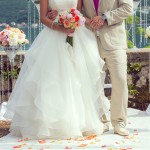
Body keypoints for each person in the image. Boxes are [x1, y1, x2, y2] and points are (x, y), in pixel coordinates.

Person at [4, 0, 109, 139]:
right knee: (53, 79)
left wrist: (82, 22)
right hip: (53, 37)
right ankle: (50, 124)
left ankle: (79, 122)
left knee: (76, 80)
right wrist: (61, 28)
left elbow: (78, 13)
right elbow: (42, 18)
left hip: (76, 36)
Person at [49, 0, 133, 136]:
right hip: (90, 40)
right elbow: (76, 11)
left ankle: (119, 122)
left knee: (120, 80)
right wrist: (57, 14)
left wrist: (104, 18)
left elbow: (127, 8)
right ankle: (101, 120)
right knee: (94, 82)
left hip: (114, 41)